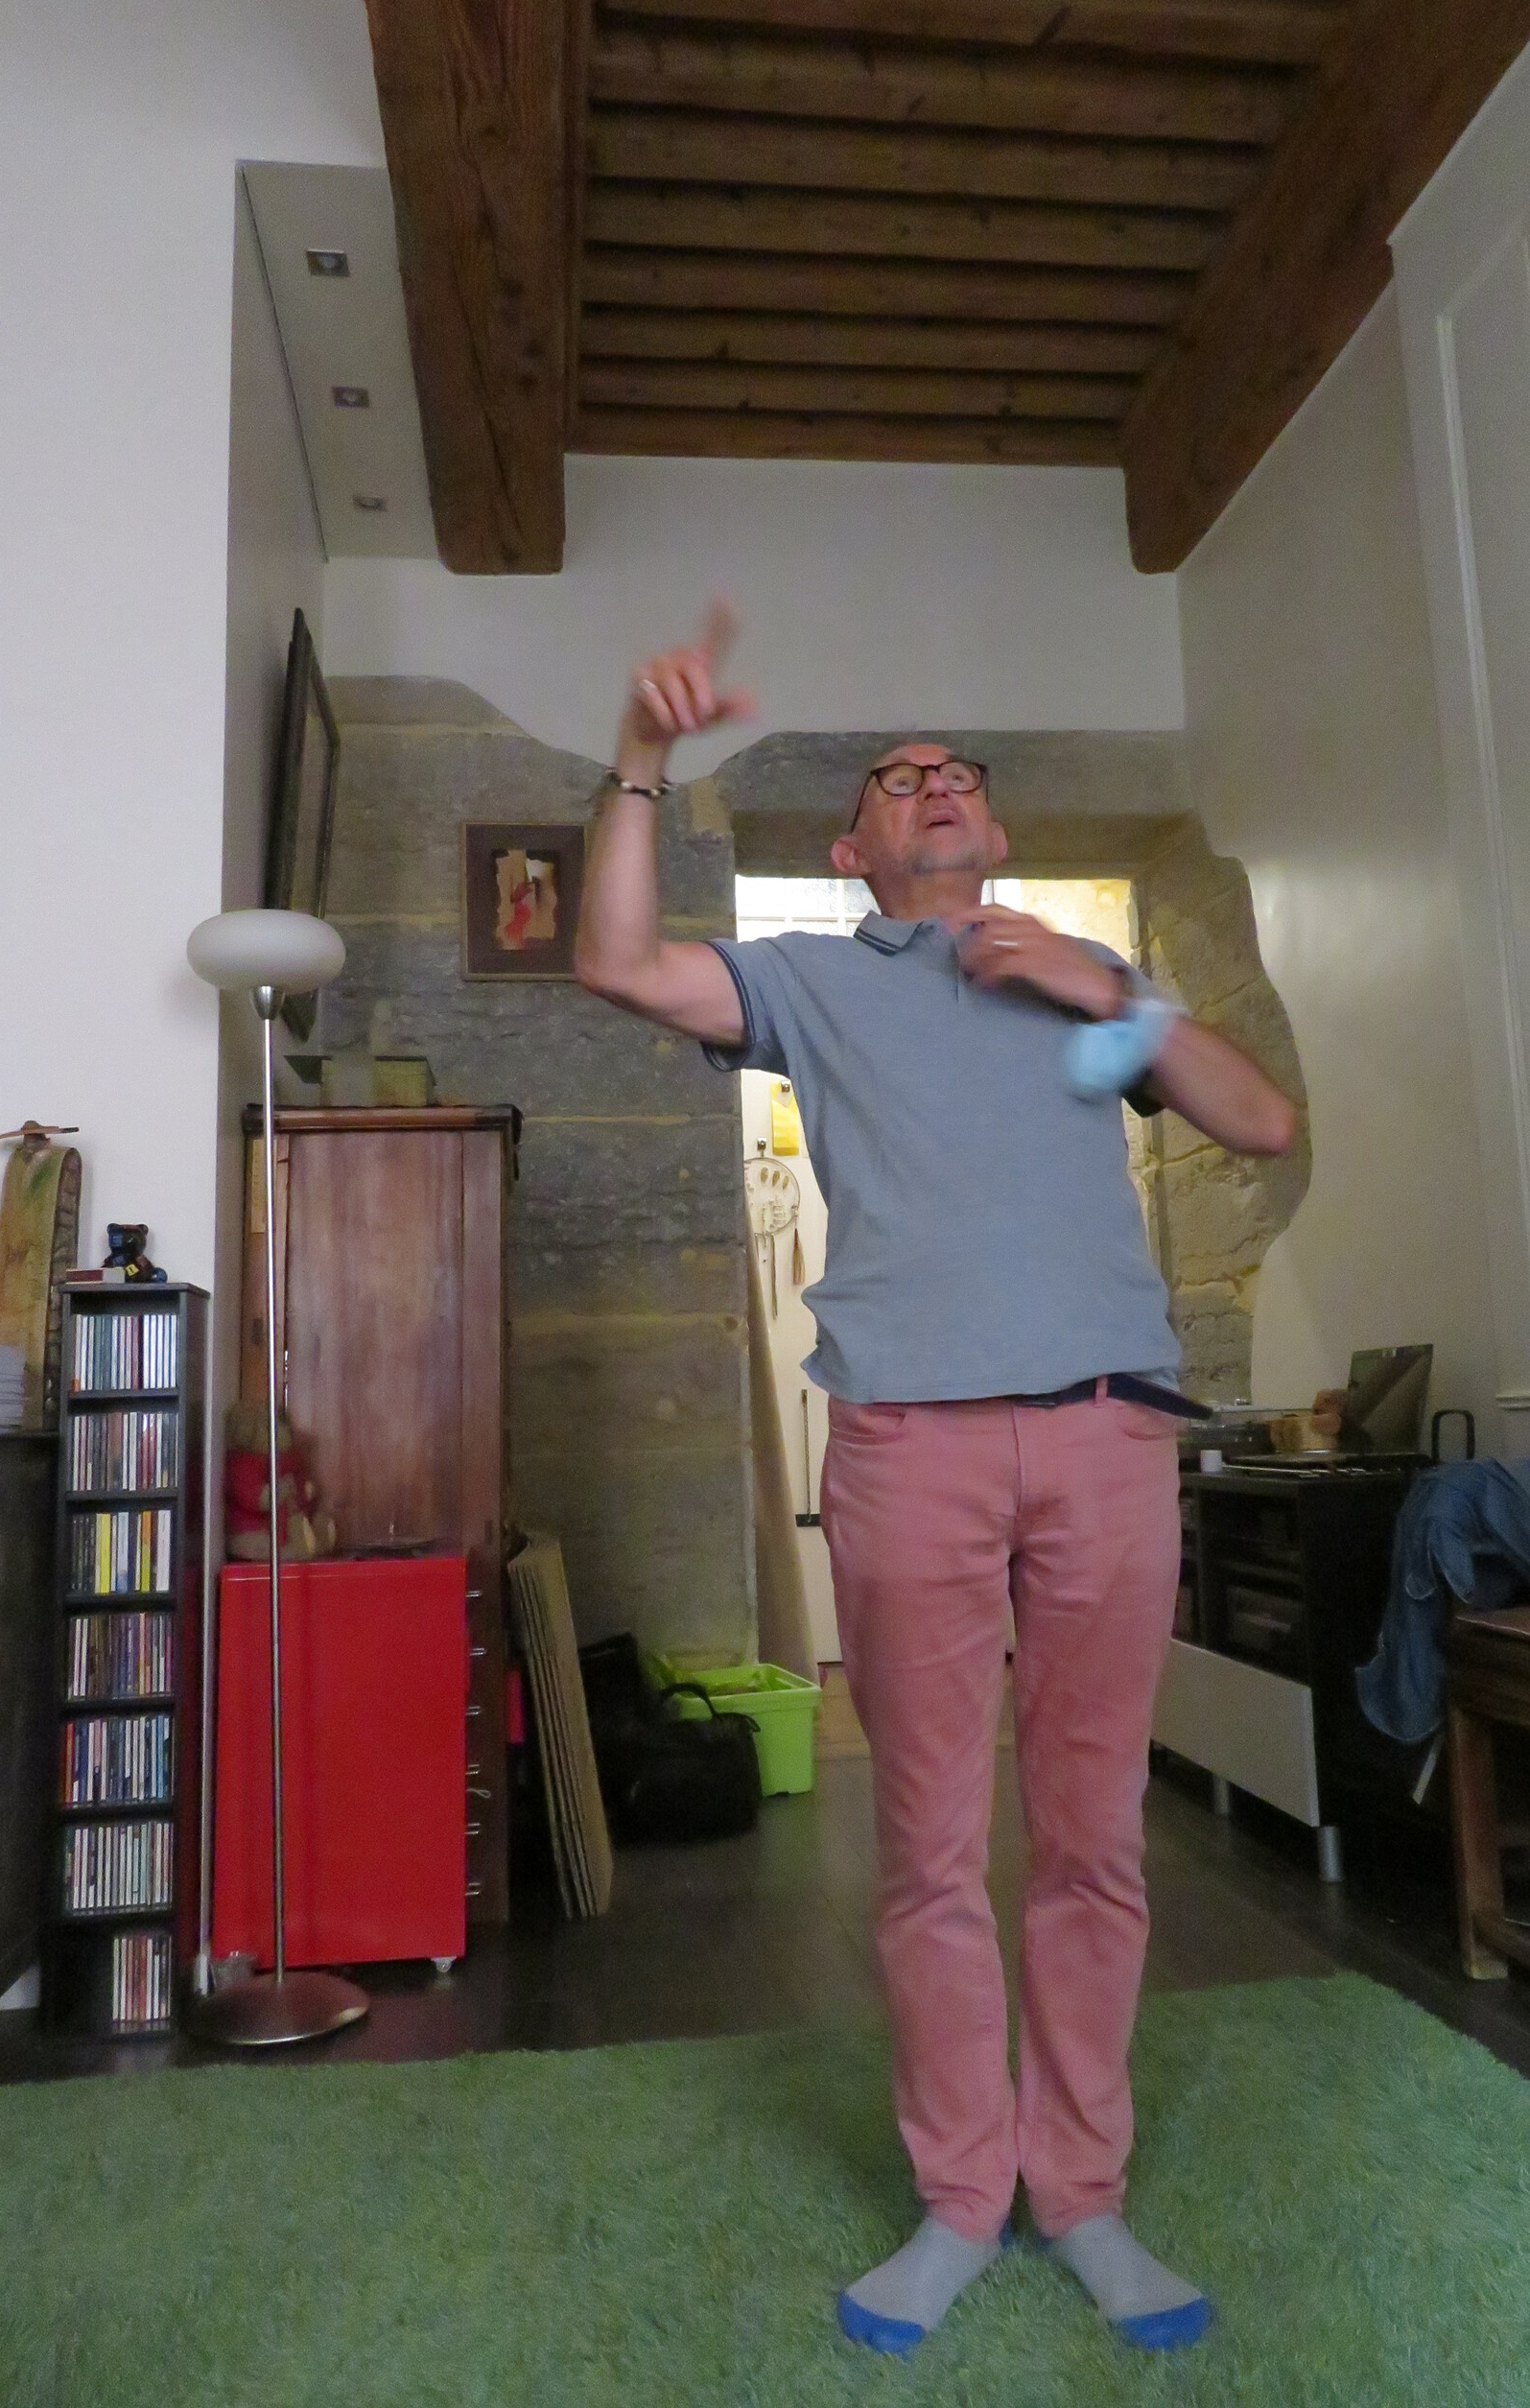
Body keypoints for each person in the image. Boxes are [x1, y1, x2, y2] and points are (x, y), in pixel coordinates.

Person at [575, 608, 1296, 2359]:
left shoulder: (1078, 973)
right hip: (909, 1441)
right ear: (855, 854)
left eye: (959, 772)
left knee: (1094, 1841)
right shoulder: (816, 984)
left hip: (1108, 1434)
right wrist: (643, 759)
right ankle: (965, 2197)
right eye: (898, 782)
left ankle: (1086, 2192)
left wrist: (1113, 992)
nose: (937, 784)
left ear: (996, 825)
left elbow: (1261, 1121)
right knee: (927, 1850)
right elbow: (616, 963)